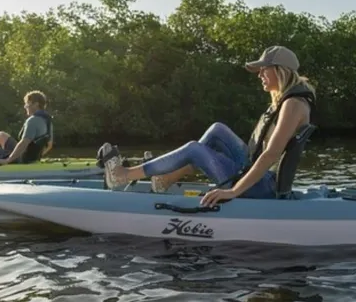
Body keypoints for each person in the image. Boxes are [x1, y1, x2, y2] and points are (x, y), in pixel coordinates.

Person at [97, 45, 315, 207]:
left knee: (194, 149)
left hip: (263, 189)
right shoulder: (291, 101)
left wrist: (233, 191)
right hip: (259, 177)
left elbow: (271, 154)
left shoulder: (293, 104)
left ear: (280, 70)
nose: (259, 75)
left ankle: (123, 175)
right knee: (217, 129)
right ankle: (166, 178)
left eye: (263, 69)